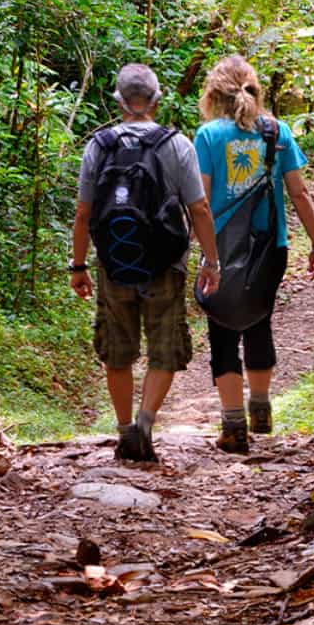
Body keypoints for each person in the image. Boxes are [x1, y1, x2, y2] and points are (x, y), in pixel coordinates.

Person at [69, 63, 220, 463]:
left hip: (114, 263)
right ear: (156, 100)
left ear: (119, 101)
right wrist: (211, 261)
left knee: (116, 351)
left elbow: (84, 213)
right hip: (165, 264)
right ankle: (146, 422)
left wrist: (78, 266)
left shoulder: (98, 145)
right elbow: (199, 209)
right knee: (164, 349)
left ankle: (123, 430)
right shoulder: (176, 145)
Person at [194, 55, 314, 454]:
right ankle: (261, 408)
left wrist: (201, 251)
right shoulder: (277, 131)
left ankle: (234, 426)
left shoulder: (209, 136)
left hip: (222, 247)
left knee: (222, 329)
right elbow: (299, 193)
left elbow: (199, 201)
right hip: (271, 247)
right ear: (254, 89)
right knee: (259, 321)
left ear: (213, 93)